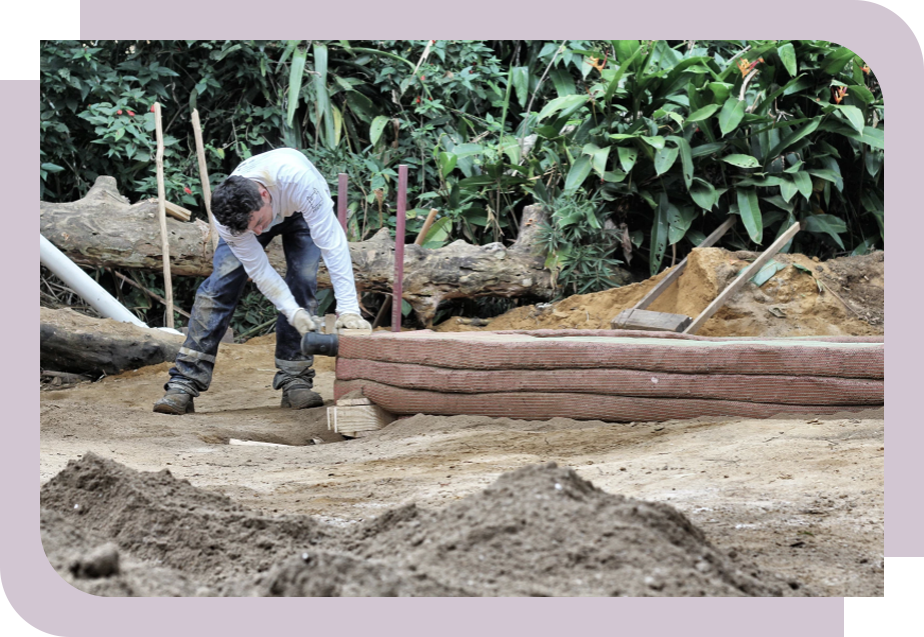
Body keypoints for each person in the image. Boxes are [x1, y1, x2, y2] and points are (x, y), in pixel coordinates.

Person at [153, 147, 371, 415]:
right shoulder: (228, 218)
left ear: (264, 195)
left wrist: (348, 308)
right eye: (250, 230)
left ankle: (295, 379)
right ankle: (184, 382)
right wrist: (293, 312)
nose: (258, 233)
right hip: (258, 211)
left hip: (301, 211)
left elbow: (333, 245)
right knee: (220, 285)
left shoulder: (301, 183)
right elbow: (259, 269)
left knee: (302, 280)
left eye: (258, 223)